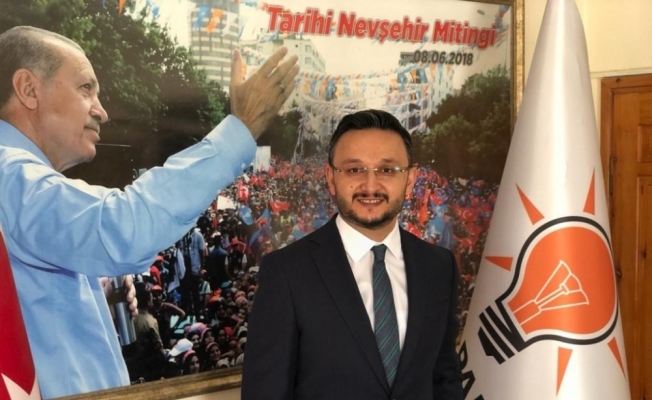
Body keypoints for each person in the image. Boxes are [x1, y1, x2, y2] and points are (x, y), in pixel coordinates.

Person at [0, 25, 298, 399]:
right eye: (86, 89)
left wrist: (96, 284)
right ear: (28, 89)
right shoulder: (10, 175)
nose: (102, 111)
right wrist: (240, 130)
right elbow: (125, 225)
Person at [241, 109, 462, 399]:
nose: (370, 186)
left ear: (410, 180)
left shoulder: (439, 267)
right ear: (331, 178)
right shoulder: (286, 273)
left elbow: (444, 378)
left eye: (387, 170)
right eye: (355, 170)